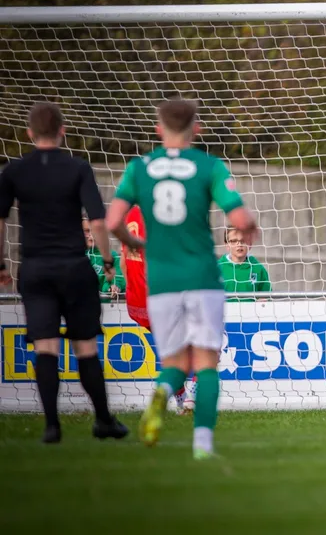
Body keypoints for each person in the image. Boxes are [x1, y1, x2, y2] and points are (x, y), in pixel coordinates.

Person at [106, 98, 258, 460]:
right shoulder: (208, 165)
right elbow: (238, 218)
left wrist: (133, 243)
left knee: (174, 361)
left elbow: (112, 222)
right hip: (202, 275)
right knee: (206, 361)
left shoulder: (139, 167)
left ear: (158, 130)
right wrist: (250, 227)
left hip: (160, 279)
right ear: (197, 128)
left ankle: (162, 392)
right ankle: (203, 444)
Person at [0, 102, 132, 443]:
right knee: (85, 347)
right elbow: (99, 221)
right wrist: (106, 260)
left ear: (29, 133)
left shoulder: (15, 171)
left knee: (45, 347)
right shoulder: (77, 168)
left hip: (36, 269)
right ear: (62, 131)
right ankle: (103, 420)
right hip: (74, 267)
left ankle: (51, 426)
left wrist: (1, 264)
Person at [218, 226, 271, 301]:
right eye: (233, 241)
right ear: (227, 245)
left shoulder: (258, 268)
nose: (239, 244)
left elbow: (267, 296)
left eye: (243, 240)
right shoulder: (217, 268)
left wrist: (263, 302)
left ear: (250, 244)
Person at [84, 217, 124, 302]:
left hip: (105, 307)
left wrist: (114, 286)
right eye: (87, 231)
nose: (91, 235)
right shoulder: (75, 255)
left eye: (94, 230)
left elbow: (117, 278)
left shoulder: (112, 256)